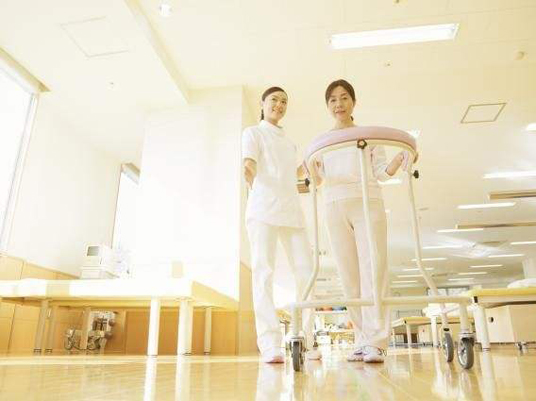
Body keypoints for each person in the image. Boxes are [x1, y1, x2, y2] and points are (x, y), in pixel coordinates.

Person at [310, 79, 406, 363]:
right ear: (327, 106)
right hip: (334, 204)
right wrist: (311, 169)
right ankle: (362, 339)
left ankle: (377, 341)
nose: (338, 104)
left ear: (353, 102)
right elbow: (318, 179)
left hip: (367, 201)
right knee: (348, 273)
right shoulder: (322, 142)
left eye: (344, 98)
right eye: (332, 99)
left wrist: (398, 161)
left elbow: (381, 172)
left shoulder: (368, 136)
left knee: (372, 268)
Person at [242, 86, 320, 363]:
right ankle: (270, 343)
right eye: (274, 99)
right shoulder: (253, 133)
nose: (279, 104)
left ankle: (306, 338)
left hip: (291, 212)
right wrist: (247, 171)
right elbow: (250, 163)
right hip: (263, 209)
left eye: (284, 101)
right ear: (262, 104)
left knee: (307, 272)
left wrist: (308, 166)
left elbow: (291, 174)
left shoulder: (289, 143)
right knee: (263, 273)